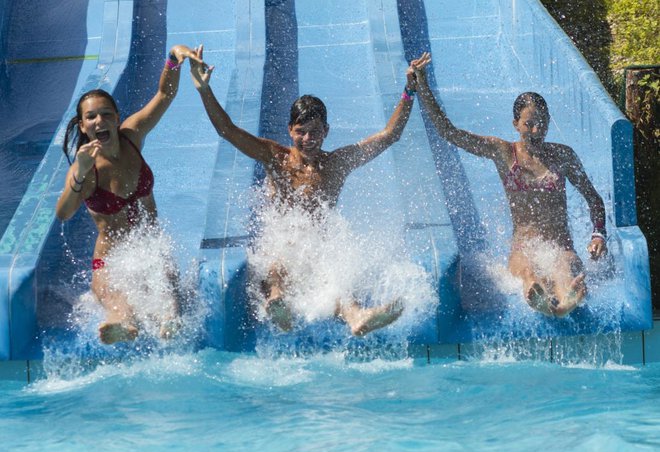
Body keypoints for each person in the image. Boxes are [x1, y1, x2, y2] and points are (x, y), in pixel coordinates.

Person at [190, 46, 417, 335]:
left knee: (334, 275)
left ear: (326, 132)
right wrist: (203, 90)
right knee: (276, 262)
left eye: (315, 131)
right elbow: (227, 130)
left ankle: (356, 315)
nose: (308, 139)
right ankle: (277, 303)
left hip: (319, 251)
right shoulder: (276, 158)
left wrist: (409, 91)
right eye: (301, 131)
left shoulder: (337, 164)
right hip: (283, 250)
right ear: (289, 130)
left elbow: (389, 136)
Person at [410, 52, 608, 317]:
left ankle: (562, 302)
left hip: (561, 247)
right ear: (515, 124)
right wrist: (422, 85)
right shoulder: (503, 153)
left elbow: (593, 198)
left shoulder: (563, 156)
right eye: (529, 124)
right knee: (528, 272)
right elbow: (449, 132)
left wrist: (598, 234)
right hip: (523, 248)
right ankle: (543, 297)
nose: (537, 131)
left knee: (565, 266)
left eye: (542, 124)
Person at [55, 44, 202, 343]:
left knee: (172, 309)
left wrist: (173, 59)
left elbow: (164, 96)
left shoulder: (132, 135)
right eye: (91, 117)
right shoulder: (84, 166)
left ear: (117, 116)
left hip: (150, 249)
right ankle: (121, 324)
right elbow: (63, 213)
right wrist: (80, 173)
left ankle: (166, 323)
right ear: (83, 125)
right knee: (120, 310)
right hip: (110, 260)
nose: (100, 121)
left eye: (106, 114)